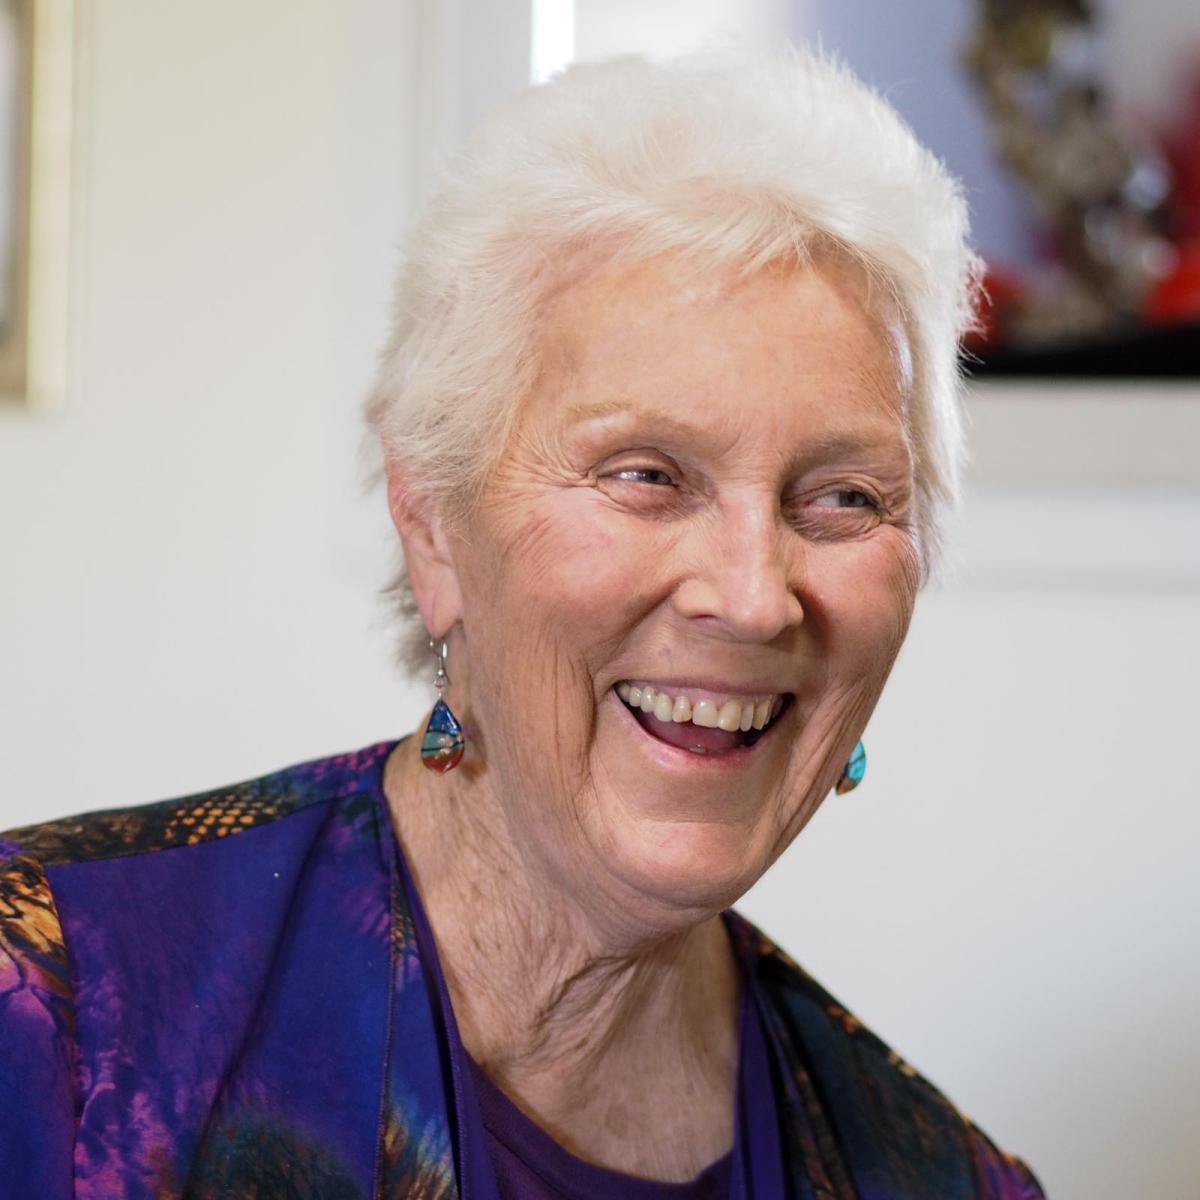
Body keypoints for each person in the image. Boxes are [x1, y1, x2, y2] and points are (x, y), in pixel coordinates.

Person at [0, 51, 1045, 1199]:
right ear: (434, 523)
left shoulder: (944, 1177)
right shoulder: (54, 1016)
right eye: (648, 474)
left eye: (844, 498)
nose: (753, 597)